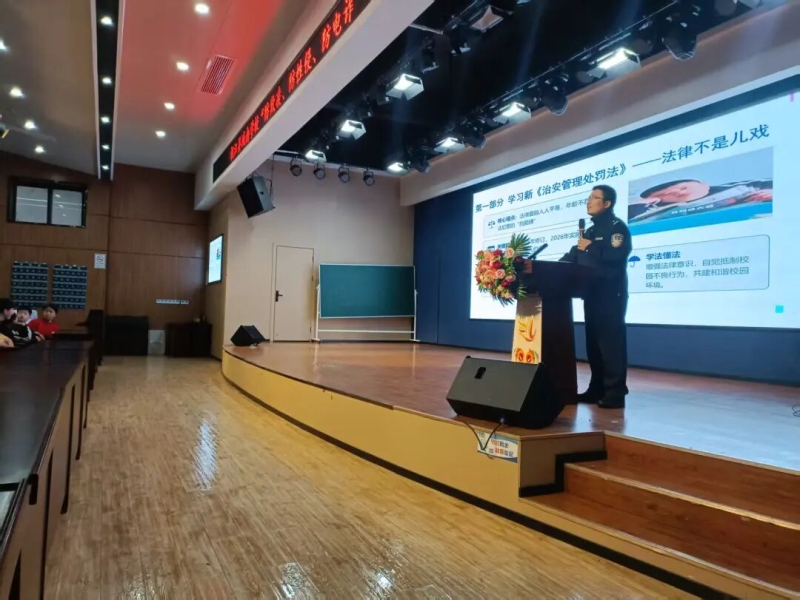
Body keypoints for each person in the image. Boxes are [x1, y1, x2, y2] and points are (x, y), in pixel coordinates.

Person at [561, 184, 631, 409]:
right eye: (589, 197)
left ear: (607, 203)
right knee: (594, 346)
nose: (588, 201)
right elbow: (573, 257)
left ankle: (615, 392)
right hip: (591, 295)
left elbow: (616, 256)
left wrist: (591, 248)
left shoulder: (616, 227)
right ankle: (597, 388)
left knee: (610, 345)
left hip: (610, 296)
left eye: (594, 198)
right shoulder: (589, 232)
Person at [628, 178, 772, 221]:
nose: (678, 192)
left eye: (683, 187)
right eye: (665, 194)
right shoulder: (663, 211)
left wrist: (774, 193)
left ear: (703, 184)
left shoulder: (740, 186)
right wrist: (642, 203)